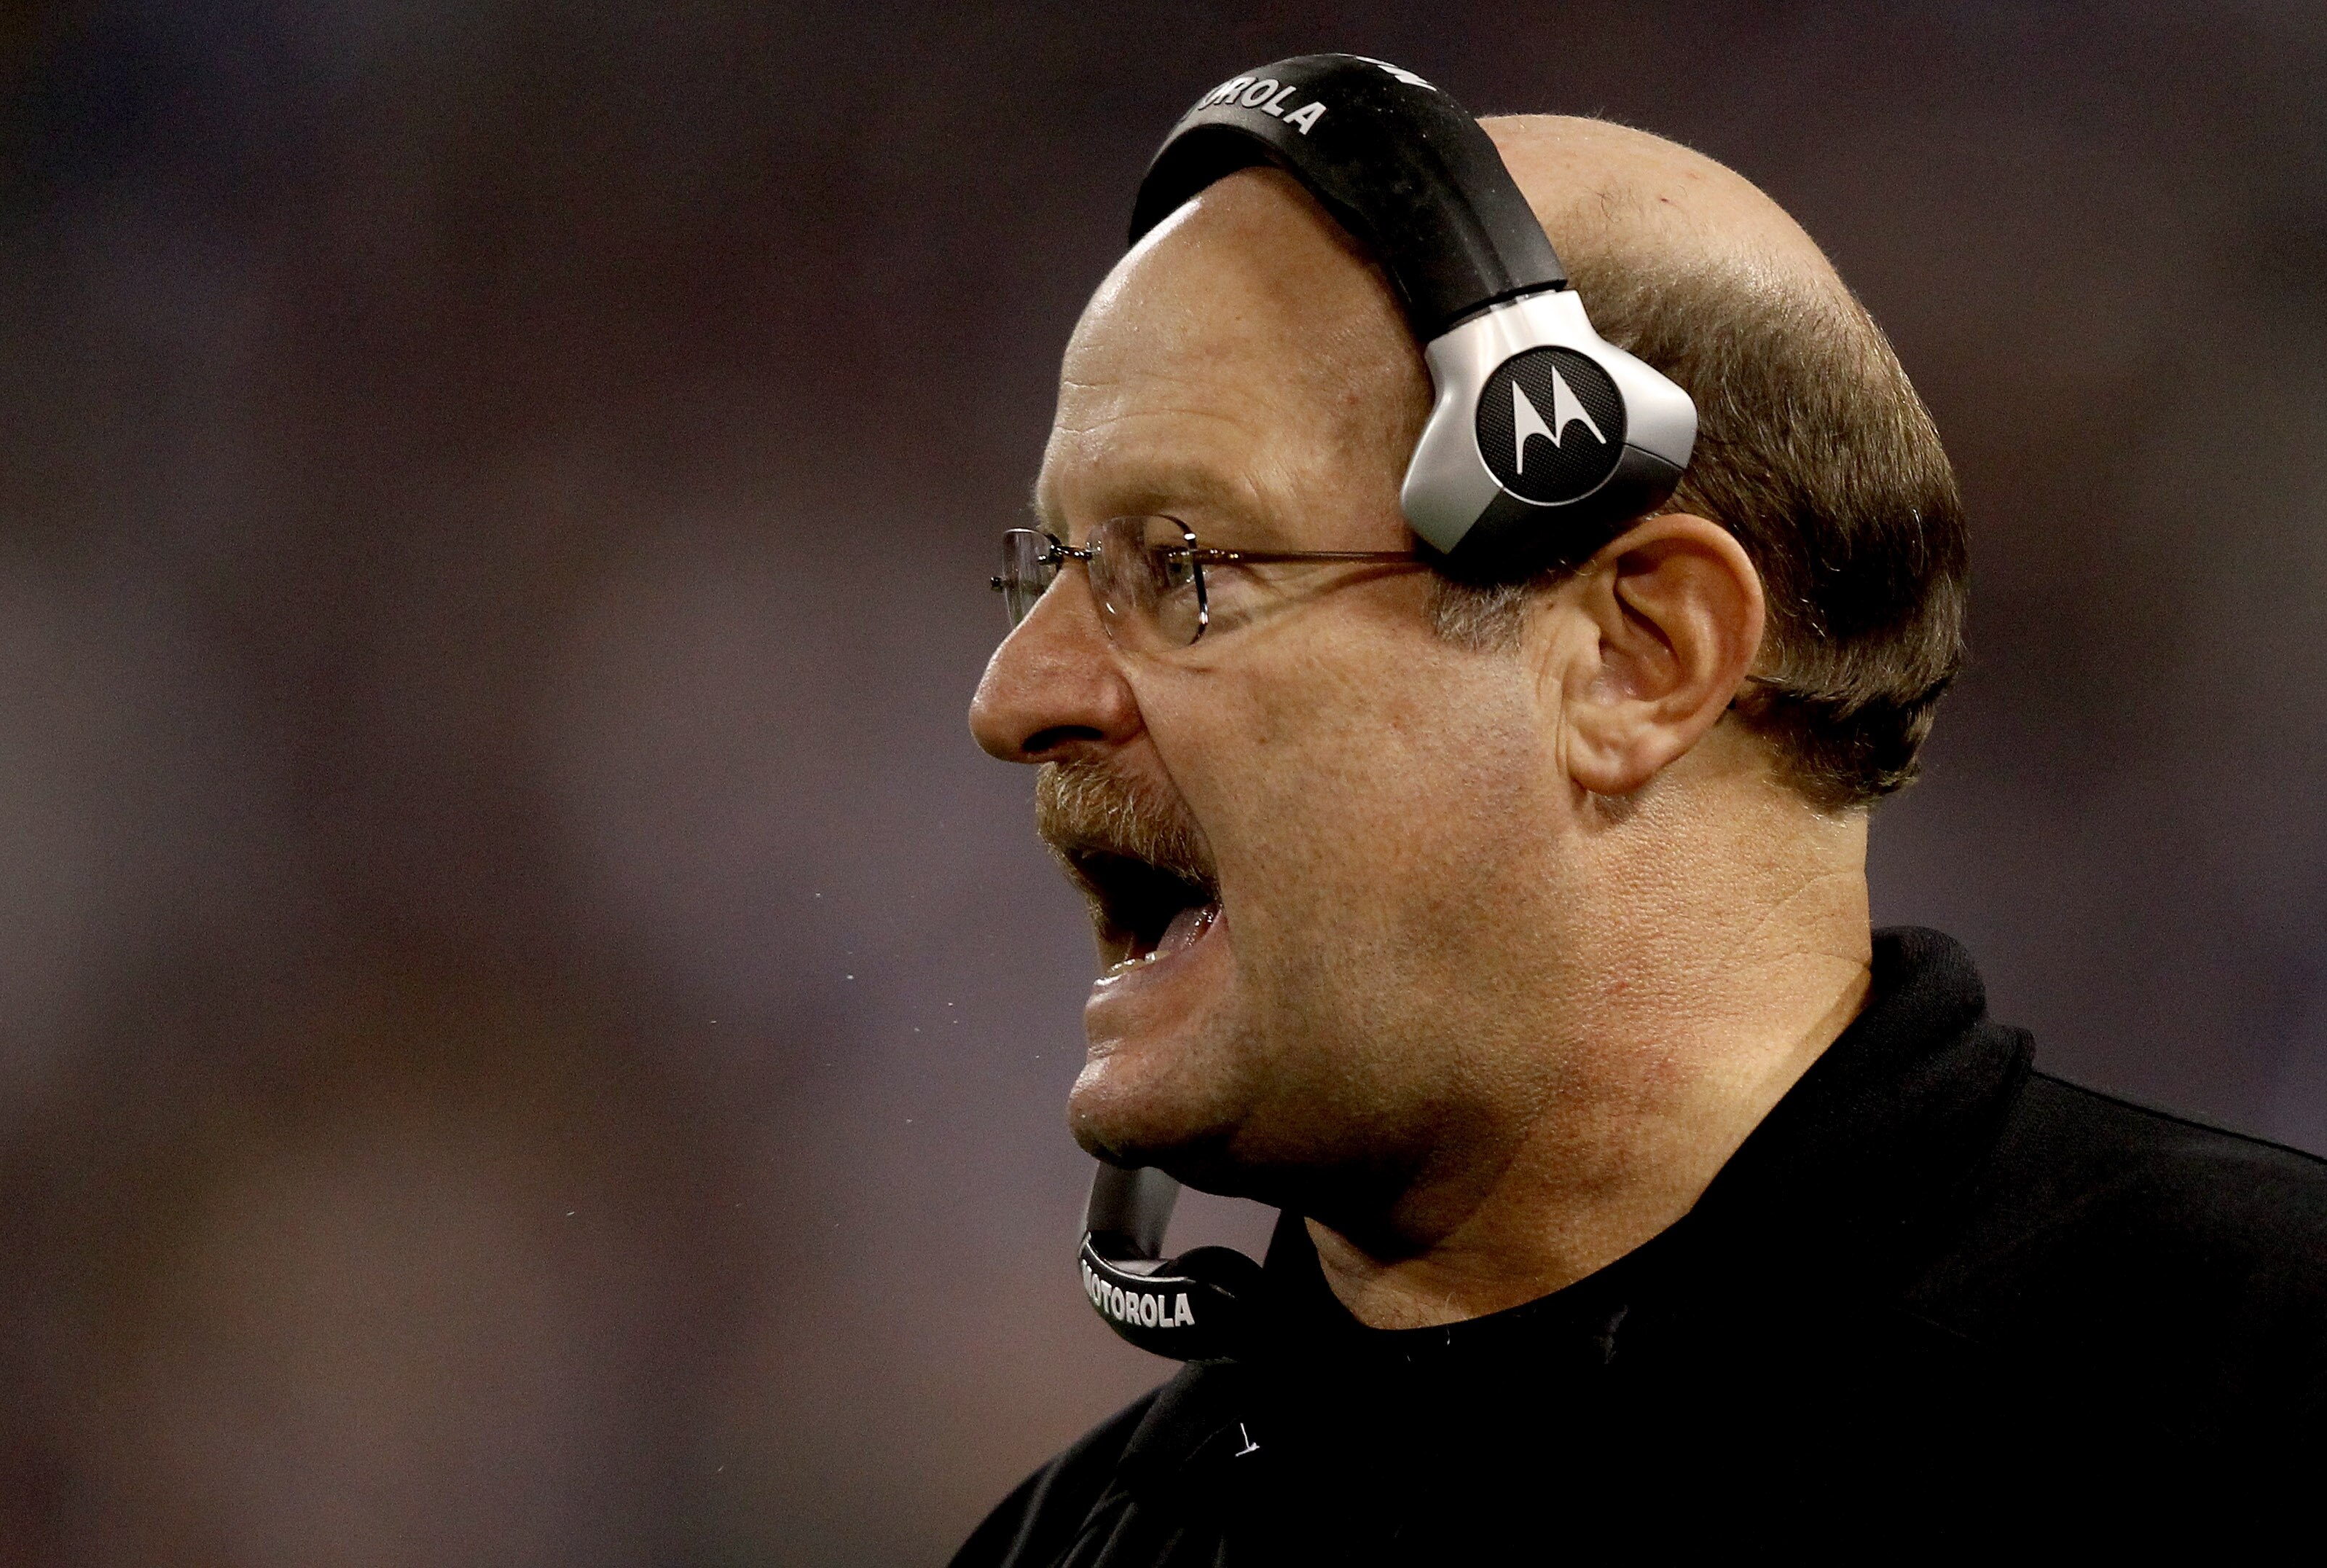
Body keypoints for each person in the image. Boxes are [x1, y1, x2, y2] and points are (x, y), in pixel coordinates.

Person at [955, 87, 2327, 1560]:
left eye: (1178, 565)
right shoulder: (1083, 1538)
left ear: (1637, 655)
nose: (1017, 692)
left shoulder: (2271, 1390)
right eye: (1049, 566)